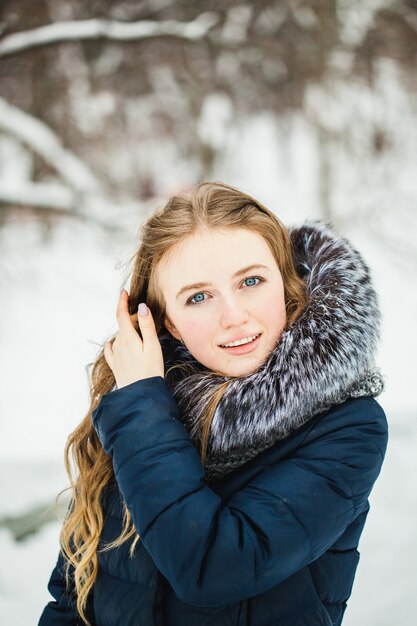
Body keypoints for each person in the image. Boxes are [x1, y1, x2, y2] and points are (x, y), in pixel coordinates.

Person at [39, 181, 388, 626]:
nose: (234, 316)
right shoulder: (139, 400)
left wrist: (143, 409)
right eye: (198, 297)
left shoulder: (349, 426)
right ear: (170, 323)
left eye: (251, 281)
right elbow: (75, 597)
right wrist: (141, 400)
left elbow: (213, 569)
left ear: (286, 283)